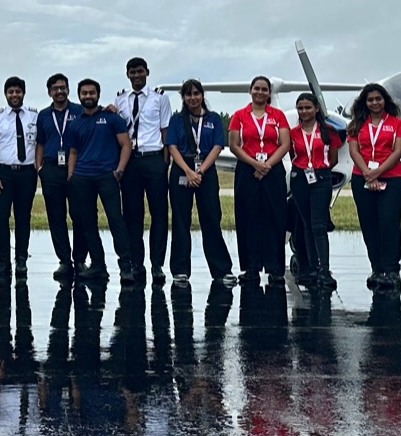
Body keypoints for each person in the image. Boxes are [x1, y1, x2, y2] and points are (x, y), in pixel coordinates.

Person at [63, 78, 136, 283]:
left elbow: (126, 145)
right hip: (82, 178)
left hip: (107, 176)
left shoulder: (111, 118)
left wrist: (119, 170)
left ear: (98, 94)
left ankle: (125, 266)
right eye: (84, 93)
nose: (88, 96)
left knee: (116, 221)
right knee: (88, 223)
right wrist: (71, 175)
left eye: (91, 93)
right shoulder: (75, 123)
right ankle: (98, 265)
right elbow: (73, 151)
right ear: (79, 96)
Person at [228, 77, 291, 300]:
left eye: (264, 89)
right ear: (250, 91)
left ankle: (275, 268)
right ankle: (251, 267)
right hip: (248, 169)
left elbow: (285, 144)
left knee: (275, 217)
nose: (260, 92)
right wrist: (255, 164)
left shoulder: (278, 116)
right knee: (249, 217)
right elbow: (234, 145)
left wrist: (267, 164)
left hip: (272, 170)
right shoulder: (239, 116)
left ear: (269, 93)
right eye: (257, 88)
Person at [165, 80, 231, 289]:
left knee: (211, 219)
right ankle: (180, 270)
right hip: (182, 170)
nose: (193, 98)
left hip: (206, 171)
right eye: (188, 94)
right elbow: (172, 147)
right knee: (181, 220)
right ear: (183, 97)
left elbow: (218, 146)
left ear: (202, 95)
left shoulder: (213, 119)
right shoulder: (177, 119)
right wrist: (188, 171)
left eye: (196, 93)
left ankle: (221, 269)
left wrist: (200, 171)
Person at [114, 57, 176, 282]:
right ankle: (136, 262)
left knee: (159, 213)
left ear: (147, 72)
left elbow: (166, 130)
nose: (136, 75)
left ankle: (157, 264)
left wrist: (165, 162)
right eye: (132, 72)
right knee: (132, 214)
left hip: (154, 158)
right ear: (127, 74)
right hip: (130, 161)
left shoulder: (160, 98)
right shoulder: (120, 99)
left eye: (140, 71)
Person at [347, 83, 401, 298]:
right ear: (364, 102)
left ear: (385, 101)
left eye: (378, 99)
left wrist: (378, 171)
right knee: (369, 223)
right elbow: (354, 151)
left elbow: (398, 151)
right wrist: (367, 172)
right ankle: (377, 268)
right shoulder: (356, 125)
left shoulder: (396, 124)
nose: (374, 103)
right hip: (362, 177)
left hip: (392, 177)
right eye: (370, 99)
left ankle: (392, 270)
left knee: (389, 222)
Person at [287, 93, 343, 295]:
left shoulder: (329, 131)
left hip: (321, 178)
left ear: (316, 108)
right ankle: (311, 268)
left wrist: (321, 170)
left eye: (308, 107)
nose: (304, 112)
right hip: (300, 177)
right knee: (306, 223)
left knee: (319, 225)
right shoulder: (293, 133)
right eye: (300, 108)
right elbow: (293, 155)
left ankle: (324, 270)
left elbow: (334, 158)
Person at [0, 76, 39, 275]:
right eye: (10, 92)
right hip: (3, 174)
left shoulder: (34, 116)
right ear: (5, 94)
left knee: (23, 218)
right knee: (1, 217)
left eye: (18, 91)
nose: (14, 95)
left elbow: (39, 144)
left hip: (27, 174)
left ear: (23, 93)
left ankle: (21, 259)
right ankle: (3, 260)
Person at [35, 75, 79, 280]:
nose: (59, 91)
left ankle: (80, 259)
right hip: (51, 168)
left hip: (77, 168)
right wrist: (39, 168)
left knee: (79, 215)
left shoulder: (79, 111)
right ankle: (64, 260)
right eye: (55, 89)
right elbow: (40, 143)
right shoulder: (44, 115)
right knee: (56, 216)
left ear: (68, 89)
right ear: (49, 92)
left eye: (63, 88)